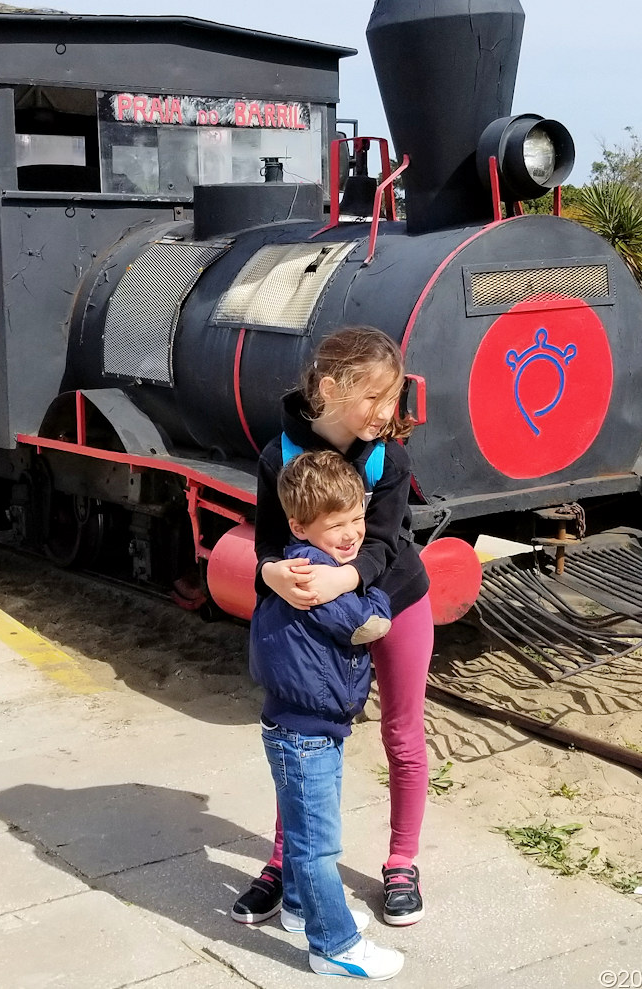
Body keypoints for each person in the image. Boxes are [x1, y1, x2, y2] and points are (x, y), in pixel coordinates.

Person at [233, 325, 432, 930]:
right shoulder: (279, 456)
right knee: (300, 732)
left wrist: (345, 582)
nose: (385, 411)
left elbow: (384, 542)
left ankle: (402, 860)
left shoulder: (388, 457)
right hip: (308, 604)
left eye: (392, 395)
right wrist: (270, 574)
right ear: (328, 388)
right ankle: (285, 862)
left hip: (393, 597)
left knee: (401, 732)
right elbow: (268, 536)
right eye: (372, 397)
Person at [251, 449, 403, 979]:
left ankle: (297, 907)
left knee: (303, 831)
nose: (351, 534)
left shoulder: (302, 561)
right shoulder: (315, 574)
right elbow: (369, 625)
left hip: (305, 724)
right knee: (318, 844)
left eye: (358, 519)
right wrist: (375, 593)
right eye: (335, 524)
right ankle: (334, 945)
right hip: (304, 731)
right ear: (298, 526)